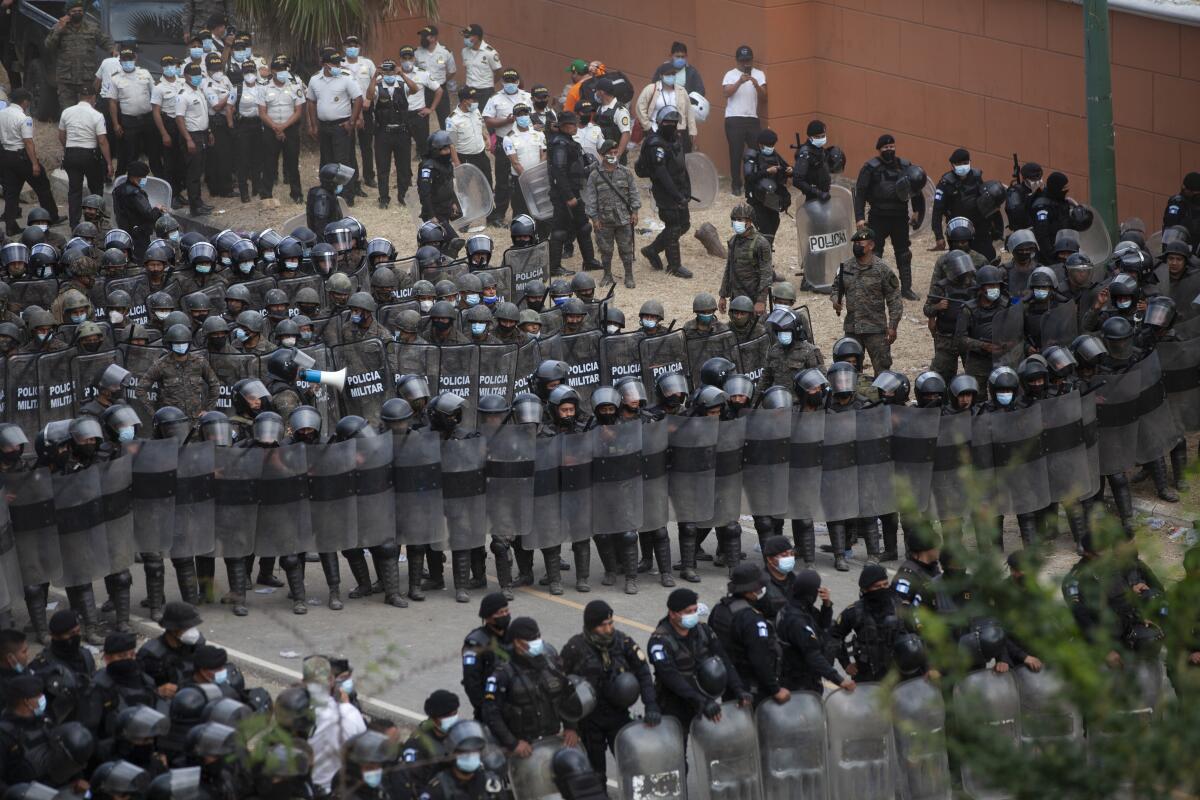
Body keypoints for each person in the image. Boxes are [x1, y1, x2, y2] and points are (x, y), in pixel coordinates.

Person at [560, 600, 659, 780]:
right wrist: (570, 727)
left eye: (610, 623)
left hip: (618, 716)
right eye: (603, 625)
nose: (608, 629)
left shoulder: (623, 642)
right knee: (595, 775)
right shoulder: (574, 649)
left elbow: (643, 673)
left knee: (634, 768)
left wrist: (651, 705)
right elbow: (562, 689)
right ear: (590, 627)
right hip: (589, 721)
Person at [648, 588, 750, 733]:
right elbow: (671, 677)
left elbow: (722, 659)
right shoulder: (659, 642)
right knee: (676, 750)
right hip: (675, 704)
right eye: (688, 612)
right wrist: (701, 701)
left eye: (695, 610)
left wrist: (738, 688)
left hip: (705, 698)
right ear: (672, 614)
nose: (693, 615)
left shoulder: (703, 631)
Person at [481, 616, 580, 756]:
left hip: (552, 741)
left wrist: (571, 727)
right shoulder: (502, 673)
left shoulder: (551, 663)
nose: (537, 642)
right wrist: (512, 743)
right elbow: (491, 712)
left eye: (538, 636)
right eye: (531, 639)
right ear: (517, 642)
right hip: (522, 748)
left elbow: (567, 694)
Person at [855, 134, 924, 300]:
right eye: (886, 148)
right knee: (875, 253)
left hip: (899, 216)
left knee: (904, 253)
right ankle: (874, 288)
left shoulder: (905, 166)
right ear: (879, 150)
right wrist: (859, 217)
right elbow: (861, 193)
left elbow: (916, 189)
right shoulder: (870, 168)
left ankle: (906, 289)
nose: (889, 150)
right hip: (878, 215)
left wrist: (916, 211)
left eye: (892, 147)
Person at [708, 563, 788, 706]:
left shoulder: (720, 609)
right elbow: (760, 659)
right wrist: (775, 690)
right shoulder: (752, 620)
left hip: (730, 681)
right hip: (752, 686)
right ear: (751, 592)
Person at [831, 227, 902, 373]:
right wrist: (835, 301)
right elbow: (836, 288)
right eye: (855, 244)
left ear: (871, 246)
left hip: (875, 329)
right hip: (852, 329)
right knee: (850, 370)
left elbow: (894, 299)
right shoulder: (846, 267)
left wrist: (893, 326)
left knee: (882, 369)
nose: (857, 247)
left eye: (861, 244)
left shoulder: (882, 269)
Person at [777, 569, 855, 693]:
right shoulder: (797, 620)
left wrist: (826, 605)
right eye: (816, 589)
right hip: (798, 682)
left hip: (804, 677)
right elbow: (813, 656)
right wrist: (839, 680)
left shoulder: (798, 606)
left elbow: (823, 626)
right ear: (810, 593)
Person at [638, 107, 693, 279]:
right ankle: (674, 266)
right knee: (673, 225)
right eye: (668, 122)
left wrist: (687, 190)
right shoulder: (655, 143)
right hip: (665, 191)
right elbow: (661, 173)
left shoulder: (676, 139)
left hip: (679, 188)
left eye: (674, 123)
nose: (671, 125)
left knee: (684, 224)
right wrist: (676, 195)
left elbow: (682, 166)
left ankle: (652, 249)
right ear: (660, 123)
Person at [828, 564, 906, 681]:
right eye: (877, 586)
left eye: (885, 584)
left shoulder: (899, 607)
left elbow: (920, 635)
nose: (883, 589)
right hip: (867, 676)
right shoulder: (855, 612)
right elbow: (834, 636)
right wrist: (846, 664)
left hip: (898, 675)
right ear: (865, 589)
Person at [306, 48, 364, 204]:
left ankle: (347, 196)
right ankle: (328, 193)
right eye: (334, 63)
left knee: (343, 162)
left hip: (341, 126)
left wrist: (352, 121)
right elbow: (311, 101)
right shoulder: (315, 80)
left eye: (339, 62)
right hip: (324, 126)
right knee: (326, 161)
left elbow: (358, 99)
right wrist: (312, 124)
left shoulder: (346, 77)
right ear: (325, 64)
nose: (338, 65)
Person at [304, 656, 367, 796]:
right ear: (331, 680)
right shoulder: (350, 714)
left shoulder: (297, 710)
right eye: (342, 678)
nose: (347, 683)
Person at [548, 110, 601, 278]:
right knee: (559, 230)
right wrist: (568, 195)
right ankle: (554, 267)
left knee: (583, 227)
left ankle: (589, 261)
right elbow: (558, 170)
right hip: (564, 193)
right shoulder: (560, 144)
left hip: (574, 190)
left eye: (575, 123)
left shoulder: (570, 142)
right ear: (563, 126)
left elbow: (574, 167)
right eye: (571, 124)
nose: (575, 127)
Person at [0, 89, 60, 235]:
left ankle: (10, 225)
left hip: (5, 156)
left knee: (11, 193)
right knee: (42, 186)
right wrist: (34, 163)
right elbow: (28, 142)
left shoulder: (1, 114)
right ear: (25, 101)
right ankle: (52, 216)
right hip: (22, 157)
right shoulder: (23, 118)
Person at [583, 138, 640, 289]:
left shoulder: (625, 172)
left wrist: (635, 211)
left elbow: (633, 193)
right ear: (602, 155)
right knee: (605, 249)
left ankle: (629, 275)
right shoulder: (595, 175)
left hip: (623, 219)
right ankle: (607, 274)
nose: (613, 155)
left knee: (626, 249)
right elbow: (591, 198)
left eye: (615, 152)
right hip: (603, 220)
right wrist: (594, 218)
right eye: (610, 153)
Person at [136, 324, 220, 420]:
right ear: (170, 344)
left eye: (183, 343)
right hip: (171, 421)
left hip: (195, 421)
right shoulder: (161, 365)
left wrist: (208, 410)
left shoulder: (200, 362)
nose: (180, 347)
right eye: (177, 344)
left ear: (189, 343)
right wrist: (154, 414)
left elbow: (215, 385)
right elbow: (140, 389)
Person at [931, 147, 1001, 260]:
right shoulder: (945, 183)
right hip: (958, 230)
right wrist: (938, 236)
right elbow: (937, 211)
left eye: (965, 162)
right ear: (952, 165)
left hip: (980, 228)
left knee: (988, 258)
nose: (963, 166)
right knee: (960, 263)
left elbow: (987, 202)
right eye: (959, 163)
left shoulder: (977, 177)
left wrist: (994, 225)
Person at [58, 83, 112, 230]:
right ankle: (95, 222)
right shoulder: (97, 115)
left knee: (74, 190)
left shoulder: (67, 112)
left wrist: (68, 148)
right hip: (90, 155)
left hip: (71, 154)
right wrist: (109, 163)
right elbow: (102, 140)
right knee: (96, 189)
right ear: (93, 97)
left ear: (79, 97)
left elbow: (61, 136)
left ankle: (74, 225)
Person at [45, 0, 114, 111]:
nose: (77, 13)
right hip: (66, 78)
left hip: (86, 77)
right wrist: (59, 30)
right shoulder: (59, 27)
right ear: (68, 13)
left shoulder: (92, 27)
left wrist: (113, 50)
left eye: (80, 11)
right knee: (68, 111)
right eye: (74, 11)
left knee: (88, 110)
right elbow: (49, 46)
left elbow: (105, 41)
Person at [482, 68, 530, 226]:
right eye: (507, 81)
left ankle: (526, 212)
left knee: (524, 176)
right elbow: (488, 120)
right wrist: (506, 122)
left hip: (525, 141)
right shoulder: (495, 98)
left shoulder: (526, 97)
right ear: (502, 82)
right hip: (504, 141)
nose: (510, 83)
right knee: (502, 180)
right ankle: (498, 216)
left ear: (518, 81)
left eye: (513, 80)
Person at [258, 55, 306, 205]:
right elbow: (262, 112)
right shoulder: (264, 87)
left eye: (285, 68)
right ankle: (266, 194)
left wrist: (283, 127)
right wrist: (275, 128)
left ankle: (296, 194)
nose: (283, 71)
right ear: (272, 71)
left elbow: (298, 111)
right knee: (269, 163)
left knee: (292, 162)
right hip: (270, 130)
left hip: (290, 130)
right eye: (279, 69)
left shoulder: (295, 86)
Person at [924, 249, 976, 382]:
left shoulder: (974, 287)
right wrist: (938, 307)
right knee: (941, 377)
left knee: (974, 376)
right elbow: (927, 309)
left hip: (969, 337)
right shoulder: (941, 287)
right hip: (946, 338)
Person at [104, 45, 157, 174]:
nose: (127, 62)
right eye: (124, 60)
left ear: (135, 58)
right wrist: (116, 124)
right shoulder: (116, 78)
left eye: (130, 59)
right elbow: (112, 102)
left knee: (153, 151)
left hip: (148, 118)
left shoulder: (145, 73)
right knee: (128, 153)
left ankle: (160, 178)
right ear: (120, 61)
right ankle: (123, 179)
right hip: (129, 121)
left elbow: (155, 94)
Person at [954, 264, 1009, 386]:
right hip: (977, 361)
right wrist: (984, 346)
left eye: (997, 285)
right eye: (990, 285)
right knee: (976, 396)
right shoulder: (968, 309)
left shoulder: (1006, 306)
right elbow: (960, 339)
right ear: (981, 288)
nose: (995, 288)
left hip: (1003, 358)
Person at [722, 45, 765, 196]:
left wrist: (755, 83)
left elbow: (764, 96)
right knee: (736, 153)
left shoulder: (759, 74)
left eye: (748, 60)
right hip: (734, 118)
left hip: (752, 118)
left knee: (755, 152)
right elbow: (726, 93)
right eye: (742, 61)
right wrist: (740, 82)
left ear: (752, 60)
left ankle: (753, 183)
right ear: (737, 61)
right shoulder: (730, 74)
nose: (745, 64)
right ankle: (736, 185)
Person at [461, 593, 511, 720]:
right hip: (491, 706)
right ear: (488, 617)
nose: (505, 615)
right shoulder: (475, 643)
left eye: (507, 611)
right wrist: (485, 709)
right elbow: (471, 683)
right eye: (500, 613)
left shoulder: (513, 635)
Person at [398, 690, 458, 796]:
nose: (453, 719)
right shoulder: (417, 745)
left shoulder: (457, 733)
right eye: (449, 716)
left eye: (455, 713)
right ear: (434, 719)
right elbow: (414, 785)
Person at [718, 203, 773, 314]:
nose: (736, 222)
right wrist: (723, 295)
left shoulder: (761, 243)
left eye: (740, 219)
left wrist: (761, 301)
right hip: (735, 298)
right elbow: (729, 269)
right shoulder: (733, 241)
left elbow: (766, 274)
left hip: (753, 298)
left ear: (749, 221)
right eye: (734, 219)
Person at [175, 63, 214, 215]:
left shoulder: (199, 91)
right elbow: (179, 119)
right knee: (193, 173)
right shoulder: (183, 95)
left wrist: (209, 131)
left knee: (199, 171)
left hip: (203, 134)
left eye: (199, 74)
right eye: (193, 74)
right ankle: (195, 207)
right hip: (192, 136)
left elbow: (203, 114)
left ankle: (199, 202)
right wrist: (188, 139)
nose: (197, 77)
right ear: (185, 76)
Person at [341, 35, 376, 192]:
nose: (352, 47)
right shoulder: (340, 64)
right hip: (347, 109)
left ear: (359, 47)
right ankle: (354, 181)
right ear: (344, 48)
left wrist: (369, 99)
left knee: (366, 145)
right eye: (349, 45)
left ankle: (369, 177)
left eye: (355, 45)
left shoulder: (367, 63)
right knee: (349, 146)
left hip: (367, 108)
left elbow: (376, 81)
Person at [151, 56, 186, 209]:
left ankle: (179, 193)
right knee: (170, 164)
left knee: (182, 162)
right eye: (167, 65)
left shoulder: (182, 82)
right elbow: (156, 112)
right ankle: (171, 196)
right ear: (162, 67)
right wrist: (164, 133)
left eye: (172, 64)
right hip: (169, 124)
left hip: (183, 124)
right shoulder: (159, 87)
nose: (170, 67)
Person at [227, 60, 264, 203]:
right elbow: (229, 107)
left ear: (256, 73)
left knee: (257, 159)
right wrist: (231, 125)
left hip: (258, 125)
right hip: (243, 126)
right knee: (243, 160)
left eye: (252, 71)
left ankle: (257, 187)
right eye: (247, 72)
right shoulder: (237, 88)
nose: (250, 75)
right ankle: (244, 191)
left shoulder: (261, 87)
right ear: (243, 74)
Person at [505, 102, 547, 222]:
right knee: (521, 210)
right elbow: (515, 162)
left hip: (538, 178)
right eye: (520, 114)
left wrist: (537, 173)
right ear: (514, 117)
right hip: (520, 180)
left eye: (525, 113)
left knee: (540, 208)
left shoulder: (538, 134)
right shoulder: (509, 138)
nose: (523, 116)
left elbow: (544, 153)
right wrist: (527, 178)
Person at [112, 161, 164, 257]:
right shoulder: (136, 194)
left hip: (124, 233)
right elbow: (150, 216)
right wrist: (157, 208)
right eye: (143, 177)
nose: (144, 179)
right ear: (135, 177)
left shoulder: (118, 190)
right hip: (139, 236)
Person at [447, 86, 490, 188]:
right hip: (465, 158)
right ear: (464, 101)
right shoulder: (452, 120)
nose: (477, 102)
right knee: (464, 189)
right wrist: (458, 165)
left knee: (487, 186)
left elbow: (478, 127)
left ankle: (488, 203)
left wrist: (486, 137)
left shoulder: (476, 111)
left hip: (481, 155)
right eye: (474, 100)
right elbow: (451, 144)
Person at [416, 25, 457, 128]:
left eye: (426, 36)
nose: (422, 39)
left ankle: (446, 144)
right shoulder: (416, 52)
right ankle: (424, 143)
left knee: (445, 122)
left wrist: (442, 82)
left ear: (434, 38)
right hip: (423, 91)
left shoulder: (445, 52)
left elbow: (452, 71)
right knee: (422, 122)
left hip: (441, 90)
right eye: (422, 36)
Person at [460, 23, 502, 108]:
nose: (465, 39)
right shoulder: (464, 51)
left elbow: (499, 72)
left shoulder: (490, 52)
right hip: (469, 90)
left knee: (483, 118)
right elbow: (467, 69)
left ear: (476, 37)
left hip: (485, 92)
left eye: (467, 37)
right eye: (464, 36)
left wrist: (489, 84)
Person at [1163, 171, 1200, 249]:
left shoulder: (1195, 204)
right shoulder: (1177, 204)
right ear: (1187, 190)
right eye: (1196, 194)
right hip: (1181, 250)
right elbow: (1171, 230)